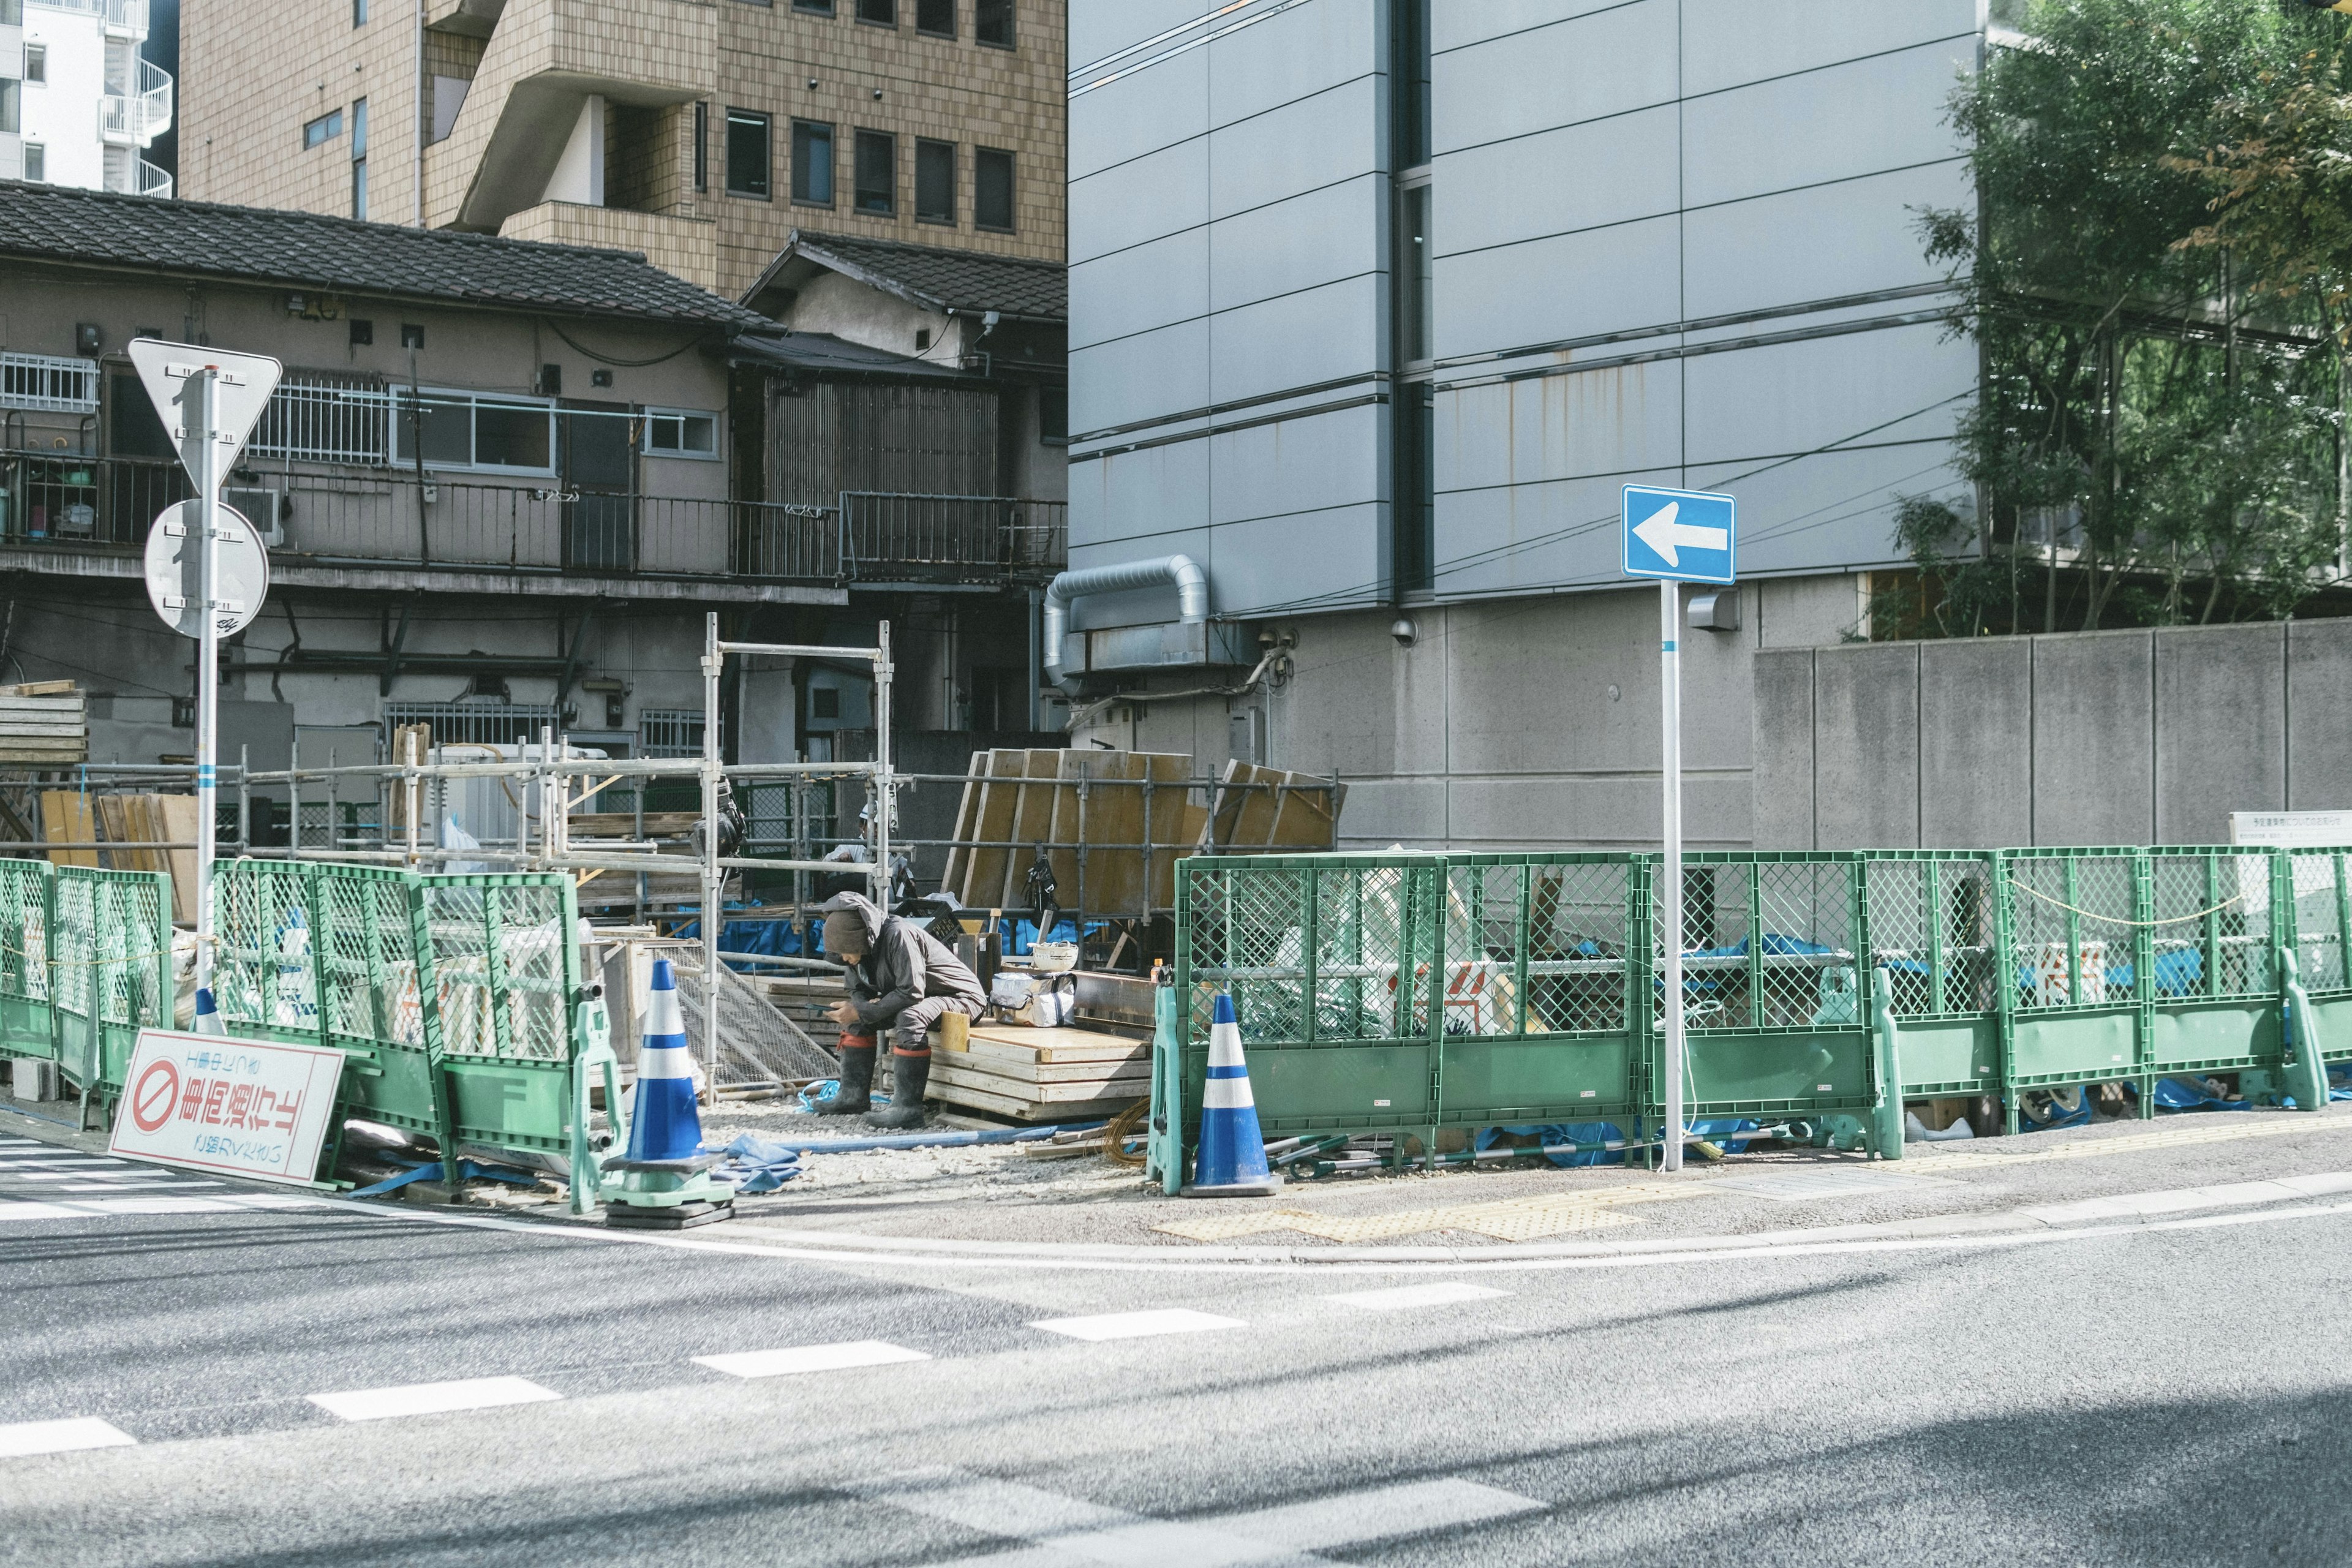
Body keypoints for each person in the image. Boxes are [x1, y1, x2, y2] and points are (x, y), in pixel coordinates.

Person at [813, 889, 985, 1129]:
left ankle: (908, 1110)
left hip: (962, 999)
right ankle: (852, 1097)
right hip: (926, 998)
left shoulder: (899, 935)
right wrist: (859, 1010)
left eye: (845, 951)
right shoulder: (860, 950)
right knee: (857, 1019)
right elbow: (857, 991)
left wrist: (862, 1010)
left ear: (858, 938)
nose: (844, 958)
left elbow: (911, 992)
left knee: (910, 1016)